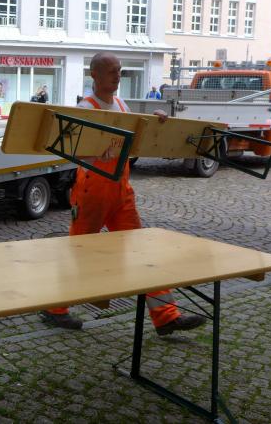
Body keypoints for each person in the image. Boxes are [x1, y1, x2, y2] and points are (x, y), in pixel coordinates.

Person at [41, 52, 205, 336]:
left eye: (119, 71)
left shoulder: (120, 104)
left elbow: (136, 137)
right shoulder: (86, 108)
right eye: (111, 71)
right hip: (92, 192)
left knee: (142, 251)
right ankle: (54, 310)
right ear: (94, 75)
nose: (118, 76)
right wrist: (98, 153)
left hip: (120, 192)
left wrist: (155, 122)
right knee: (78, 253)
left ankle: (166, 317)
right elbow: (74, 152)